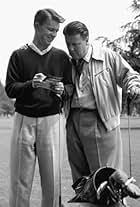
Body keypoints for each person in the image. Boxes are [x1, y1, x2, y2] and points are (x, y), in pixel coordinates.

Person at [63, 21, 140, 206]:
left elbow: (129, 76)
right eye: (68, 45)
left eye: (76, 44)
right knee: (82, 182)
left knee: (108, 179)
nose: (71, 49)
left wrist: (134, 87)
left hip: (101, 120)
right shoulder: (67, 62)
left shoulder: (107, 56)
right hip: (73, 120)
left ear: (87, 40)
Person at [5, 8, 73, 207]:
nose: (53, 35)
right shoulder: (18, 55)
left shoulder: (62, 57)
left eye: (56, 31)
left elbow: (70, 87)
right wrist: (30, 84)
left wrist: (63, 89)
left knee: (52, 180)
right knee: (20, 181)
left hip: (52, 121)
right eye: (49, 29)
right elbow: (10, 89)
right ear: (36, 26)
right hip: (23, 120)